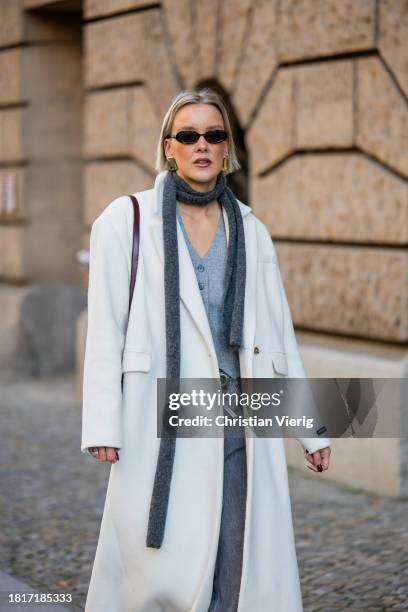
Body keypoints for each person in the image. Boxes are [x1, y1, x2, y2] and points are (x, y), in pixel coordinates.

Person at [81, 87, 331, 612]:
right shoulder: (125, 221)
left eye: (213, 135)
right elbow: (107, 330)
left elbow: (278, 339)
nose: (201, 144)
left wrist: (311, 431)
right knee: (164, 566)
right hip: (159, 418)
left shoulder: (253, 231)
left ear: (226, 148)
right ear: (168, 147)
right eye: (188, 135)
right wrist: (102, 425)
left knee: (234, 553)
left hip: (237, 414)